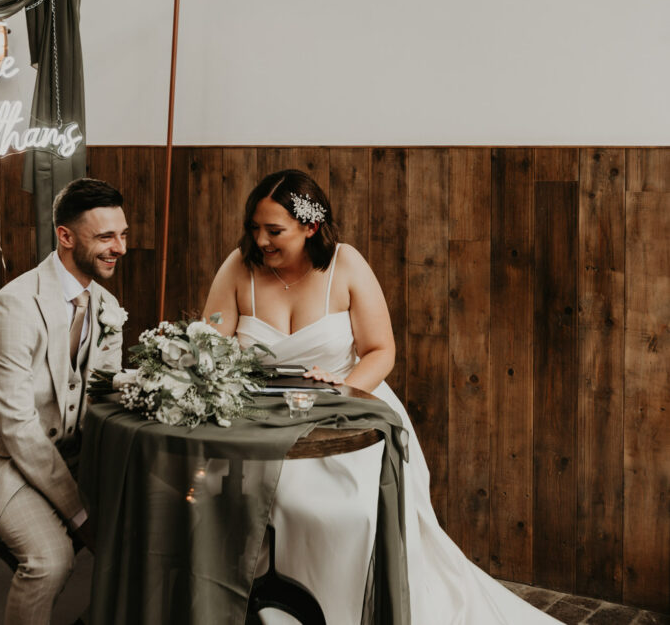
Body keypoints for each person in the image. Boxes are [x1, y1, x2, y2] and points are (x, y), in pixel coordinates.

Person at [203, 169, 560, 624]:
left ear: (310, 227)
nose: (261, 240)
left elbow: (380, 351)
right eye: (255, 228)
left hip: (348, 416)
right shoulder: (239, 267)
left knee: (345, 512)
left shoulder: (345, 265)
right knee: (218, 495)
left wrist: (343, 390)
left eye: (274, 231)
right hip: (258, 424)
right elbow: (208, 346)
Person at [0, 178, 129, 625]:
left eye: (123, 234)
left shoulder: (107, 307)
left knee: (146, 532)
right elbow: (19, 430)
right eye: (106, 237)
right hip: (7, 467)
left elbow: (98, 398)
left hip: (73, 459)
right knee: (50, 561)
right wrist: (80, 515)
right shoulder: (14, 306)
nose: (120, 247)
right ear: (65, 237)